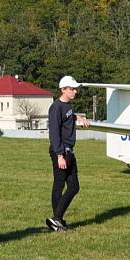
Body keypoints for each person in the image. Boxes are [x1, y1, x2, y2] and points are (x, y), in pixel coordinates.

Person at [46, 76, 89, 231]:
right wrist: (59, 155)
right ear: (63, 89)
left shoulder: (68, 106)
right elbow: (54, 133)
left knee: (74, 186)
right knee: (59, 184)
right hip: (61, 151)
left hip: (69, 151)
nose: (75, 91)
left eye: (75, 88)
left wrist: (79, 117)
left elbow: (69, 115)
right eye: (72, 89)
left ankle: (57, 219)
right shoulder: (56, 107)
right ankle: (57, 220)